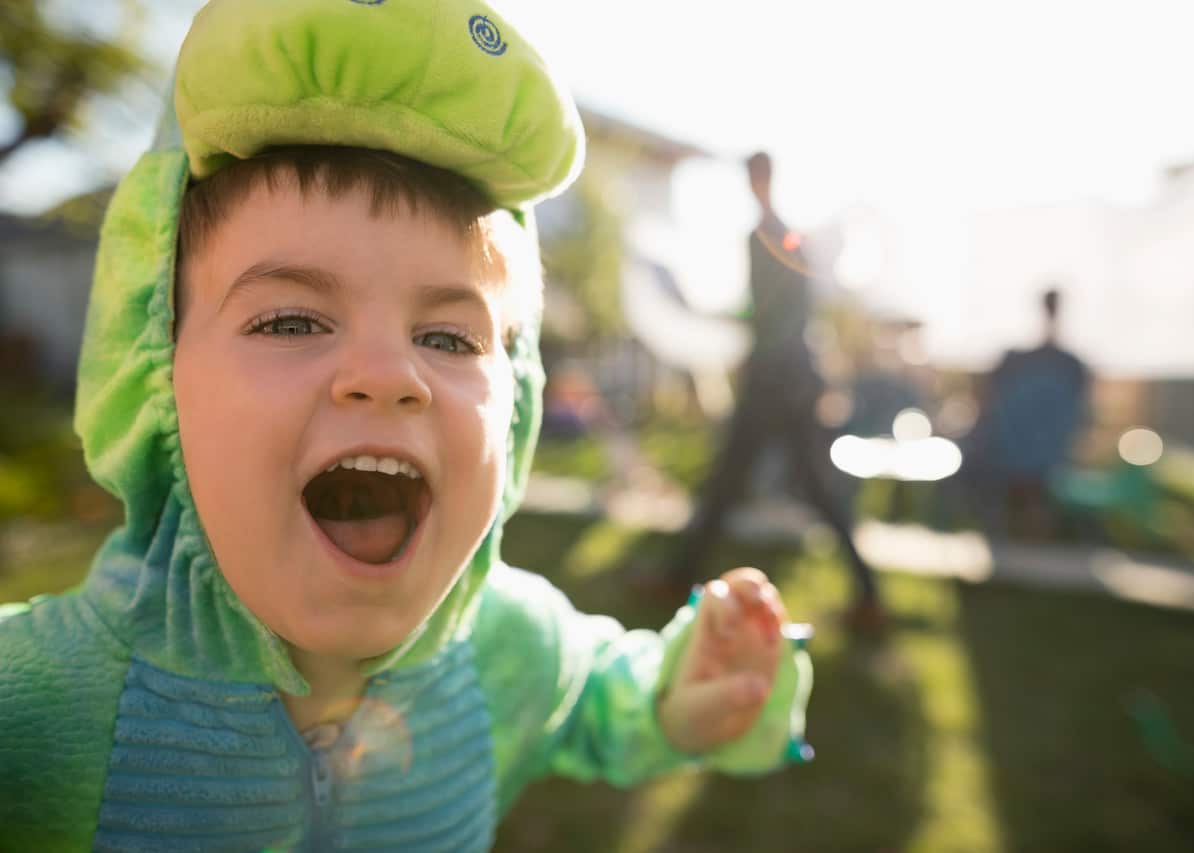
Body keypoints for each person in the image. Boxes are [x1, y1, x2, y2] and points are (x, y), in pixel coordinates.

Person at [0, 2, 812, 849]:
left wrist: (677, 700)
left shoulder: (506, 647)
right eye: (290, 322)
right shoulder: (36, 707)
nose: (390, 376)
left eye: (448, 337)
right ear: (154, 375)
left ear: (519, 397)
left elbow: (598, 697)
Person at [662, 151, 887, 633]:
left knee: (741, 482)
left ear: (761, 179)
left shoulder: (769, 237)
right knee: (786, 486)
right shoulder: (787, 236)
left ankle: (676, 574)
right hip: (793, 374)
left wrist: (751, 342)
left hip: (777, 378)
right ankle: (869, 595)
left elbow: (770, 312)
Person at [964, 287, 1090, 539]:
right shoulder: (1041, 363)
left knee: (1030, 492)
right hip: (1016, 449)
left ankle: (1025, 541)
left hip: (1032, 452)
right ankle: (1016, 540)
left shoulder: (1065, 365)